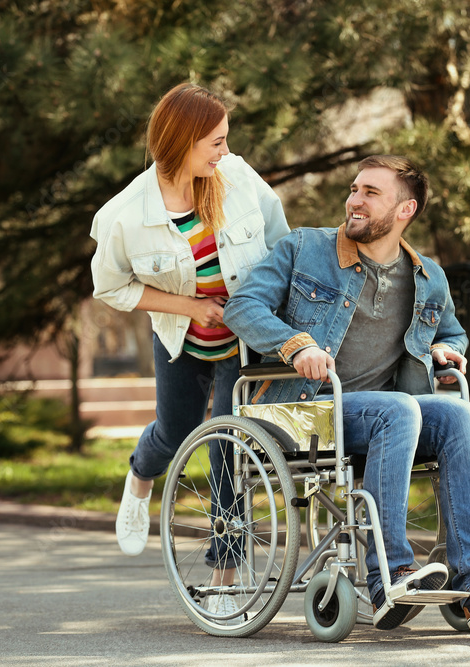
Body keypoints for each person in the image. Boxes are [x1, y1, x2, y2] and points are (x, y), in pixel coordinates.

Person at [223, 154, 470, 632]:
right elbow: (242, 307)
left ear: (404, 210)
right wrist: (295, 344)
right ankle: (390, 573)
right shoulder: (303, 249)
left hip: (385, 414)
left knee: (460, 416)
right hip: (302, 411)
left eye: (371, 193)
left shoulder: (428, 276)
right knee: (400, 410)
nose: (354, 200)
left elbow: (453, 333)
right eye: (355, 189)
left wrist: (446, 350)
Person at [89, 83, 290, 619]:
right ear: (181, 143)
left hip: (242, 343)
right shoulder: (126, 214)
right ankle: (139, 478)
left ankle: (226, 578)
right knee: (173, 434)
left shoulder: (238, 180)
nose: (226, 153)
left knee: (229, 445)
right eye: (216, 143)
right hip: (181, 339)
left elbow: (279, 244)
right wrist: (187, 305)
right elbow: (110, 287)